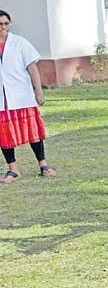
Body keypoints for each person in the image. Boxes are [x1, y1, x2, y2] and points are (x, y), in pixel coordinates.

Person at [0, 10, 55, 184]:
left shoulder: (20, 43)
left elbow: (32, 68)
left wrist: (38, 91)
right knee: (4, 134)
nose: (3, 27)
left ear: (10, 24)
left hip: (21, 94)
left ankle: (43, 165)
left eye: (6, 23)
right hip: (2, 98)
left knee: (33, 131)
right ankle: (13, 169)